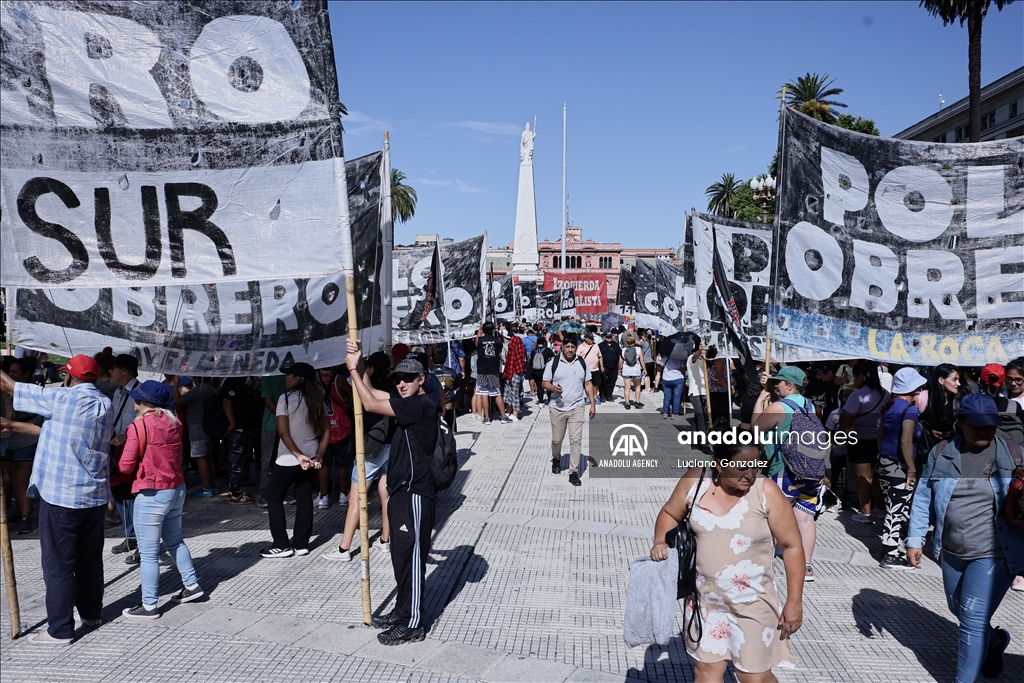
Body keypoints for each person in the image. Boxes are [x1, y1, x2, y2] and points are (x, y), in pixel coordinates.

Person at [650, 443, 803, 681]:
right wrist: (660, 541)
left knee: (753, 676)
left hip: (753, 602)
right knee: (706, 671)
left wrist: (794, 602)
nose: (750, 474)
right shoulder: (696, 481)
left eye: (755, 465)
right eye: (742, 467)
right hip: (704, 601)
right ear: (720, 465)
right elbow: (670, 513)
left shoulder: (766, 492)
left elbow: (792, 546)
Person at [907, 393, 1024, 682]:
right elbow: (923, 497)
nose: (985, 430)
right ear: (961, 423)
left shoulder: (1013, 454)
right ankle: (995, 642)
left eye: (990, 425)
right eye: (977, 425)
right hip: (952, 550)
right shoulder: (941, 453)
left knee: (971, 620)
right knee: (957, 608)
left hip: (994, 552)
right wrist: (915, 538)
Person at [1, 355, 113, 645]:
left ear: (68, 377)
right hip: (94, 495)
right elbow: (52, 429)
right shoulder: (105, 404)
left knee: (59, 563)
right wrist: (11, 426)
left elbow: (11, 387)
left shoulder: (62, 399)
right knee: (89, 559)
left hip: (62, 496)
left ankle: (60, 629)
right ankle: (91, 614)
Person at [346, 341, 438, 645]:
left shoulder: (421, 404)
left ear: (421, 379)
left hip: (415, 493)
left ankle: (413, 623)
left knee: (411, 557)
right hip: (401, 492)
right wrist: (359, 367)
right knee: (400, 556)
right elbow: (372, 395)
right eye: (398, 379)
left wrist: (351, 371)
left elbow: (370, 404)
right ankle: (402, 611)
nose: (402, 384)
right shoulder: (408, 402)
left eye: (408, 379)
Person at [118, 381, 204, 619]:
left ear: (145, 403)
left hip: (152, 493)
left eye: (137, 399)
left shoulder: (138, 427)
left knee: (148, 554)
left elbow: (125, 466)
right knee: (175, 541)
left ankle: (149, 605)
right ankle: (192, 585)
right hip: (176, 489)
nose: (134, 403)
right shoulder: (174, 422)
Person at [752, 366, 822, 582]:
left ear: (790, 385)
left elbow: (755, 430)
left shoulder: (778, 407)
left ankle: (762, 564)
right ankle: (807, 567)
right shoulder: (809, 405)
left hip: (784, 470)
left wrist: (761, 398)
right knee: (805, 518)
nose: (775, 385)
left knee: (773, 518)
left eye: (779, 382)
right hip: (811, 471)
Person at [323, 352, 393, 562]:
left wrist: (355, 368)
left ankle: (344, 549)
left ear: (370, 369)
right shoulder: (392, 388)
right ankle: (385, 541)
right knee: (386, 495)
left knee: (356, 499)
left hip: (371, 450)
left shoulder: (369, 393)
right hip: (389, 446)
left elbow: (367, 395)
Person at [261, 363, 328, 559]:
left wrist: (298, 455)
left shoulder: (285, 399)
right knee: (304, 498)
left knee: (274, 498)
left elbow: (283, 432)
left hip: (289, 458)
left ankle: (281, 544)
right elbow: (326, 432)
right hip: (311, 456)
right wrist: (319, 455)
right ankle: (301, 544)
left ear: (297, 379)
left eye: (288, 375)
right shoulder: (318, 400)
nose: (285, 378)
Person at [876, 368, 927, 569]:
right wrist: (912, 469)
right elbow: (906, 441)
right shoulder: (909, 410)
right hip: (899, 467)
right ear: (913, 388)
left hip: (884, 463)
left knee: (893, 506)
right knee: (896, 510)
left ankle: (891, 547)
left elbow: (880, 434)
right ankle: (889, 555)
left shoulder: (890, 406)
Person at [542, 336, 596, 487]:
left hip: (577, 406)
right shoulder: (553, 363)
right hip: (557, 406)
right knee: (556, 439)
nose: (570, 349)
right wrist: (553, 388)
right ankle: (557, 458)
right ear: (562, 347)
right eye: (567, 347)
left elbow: (588, 384)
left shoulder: (582, 363)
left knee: (575, 440)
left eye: (573, 347)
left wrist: (592, 404)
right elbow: (544, 382)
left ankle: (573, 472)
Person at [839, 360, 888, 523]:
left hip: (859, 439)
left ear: (861, 376)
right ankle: (880, 508)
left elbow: (845, 415)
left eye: (855, 376)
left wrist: (845, 429)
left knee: (863, 477)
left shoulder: (857, 395)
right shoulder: (885, 393)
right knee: (875, 476)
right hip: (878, 439)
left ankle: (865, 512)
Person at [1, 358, 43, 535]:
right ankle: (15, 512)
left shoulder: (31, 391)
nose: (11, 375)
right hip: (8, 440)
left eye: (15, 372)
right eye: (9, 372)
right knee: (8, 479)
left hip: (26, 440)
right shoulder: (5, 391)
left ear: (25, 374)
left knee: (21, 481)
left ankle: (26, 518)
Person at [108, 354, 141, 563]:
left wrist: (126, 436)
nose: (110, 372)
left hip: (132, 450)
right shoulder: (118, 393)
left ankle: (139, 539)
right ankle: (130, 535)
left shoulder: (139, 392)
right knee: (119, 492)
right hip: (116, 449)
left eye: (114, 368)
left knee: (134, 497)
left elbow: (144, 423)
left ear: (124, 371)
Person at [174, 377, 220, 497]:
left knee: (200, 458)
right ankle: (212, 485)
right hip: (209, 428)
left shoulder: (197, 391)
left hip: (197, 428)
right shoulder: (213, 390)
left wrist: (175, 385)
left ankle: (206, 488)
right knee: (208, 457)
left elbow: (177, 402)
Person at [315, 367, 354, 509]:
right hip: (341, 426)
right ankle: (344, 494)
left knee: (323, 463)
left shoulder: (315, 378)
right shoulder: (339, 379)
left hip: (322, 426)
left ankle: (323, 496)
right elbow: (352, 395)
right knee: (342, 464)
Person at [220, 376, 256, 505]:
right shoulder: (233, 380)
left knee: (237, 459)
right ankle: (235, 493)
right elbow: (227, 401)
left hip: (244, 426)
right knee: (235, 461)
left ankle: (234, 490)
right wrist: (232, 423)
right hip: (237, 428)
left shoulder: (243, 381)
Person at [918, 363, 965, 448]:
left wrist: (950, 433)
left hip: (950, 447)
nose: (959, 384)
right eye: (954, 379)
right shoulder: (923, 398)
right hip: (926, 448)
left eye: (959, 380)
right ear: (941, 380)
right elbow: (912, 423)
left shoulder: (958, 401)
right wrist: (927, 431)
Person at [258, 374, 288, 508]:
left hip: (271, 423)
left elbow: (267, 399)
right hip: (287, 422)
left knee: (268, 460)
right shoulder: (288, 373)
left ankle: (265, 493)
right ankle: (289, 492)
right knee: (289, 456)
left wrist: (279, 415)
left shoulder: (267, 374)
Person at [474, 322, 510, 424]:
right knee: (497, 393)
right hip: (493, 370)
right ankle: (503, 416)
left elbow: (476, 342)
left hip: (482, 370)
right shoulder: (497, 340)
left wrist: (480, 329)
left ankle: (487, 418)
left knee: (484, 394)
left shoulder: (479, 340)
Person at [687, 341, 710, 446]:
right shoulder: (691, 358)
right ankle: (704, 444)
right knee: (702, 418)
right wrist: (700, 351)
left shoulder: (706, 359)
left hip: (705, 391)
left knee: (699, 417)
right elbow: (694, 358)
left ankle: (695, 441)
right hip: (695, 392)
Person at [501, 333, 526, 420]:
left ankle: (515, 414)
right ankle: (508, 411)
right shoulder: (517, 350)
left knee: (514, 394)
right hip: (510, 373)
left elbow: (513, 363)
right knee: (507, 393)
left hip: (514, 373)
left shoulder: (515, 352)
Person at [620, 333, 645, 409]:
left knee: (627, 387)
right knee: (637, 386)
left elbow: (620, 361)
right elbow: (642, 360)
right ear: (634, 341)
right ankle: (637, 402)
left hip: (626, 370)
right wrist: (644, 369)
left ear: (627, 342)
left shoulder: (623, 350)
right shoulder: (638, 349)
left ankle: (627, 403)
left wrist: (619, 369)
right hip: (636, 370)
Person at [578, 333, 603, 406]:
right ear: (586, 339)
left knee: (596, 384)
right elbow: (577, 358)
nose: (592, 340)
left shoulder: (595, 346)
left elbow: (600, 356)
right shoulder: (581, 347)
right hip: (585, 370)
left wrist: (601, 366)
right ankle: (588, 397)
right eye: (591, 338)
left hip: (595, 369)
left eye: (592, 338)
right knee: (587, 385)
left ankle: (595, 396)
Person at [659, 352, 686, 419]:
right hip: (678, 378)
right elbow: (684, 368)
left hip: (666, 379)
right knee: (676, 397)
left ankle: (665, 413)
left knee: (667, 396)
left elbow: (662, 366)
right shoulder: (680, 358)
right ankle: (675, 413)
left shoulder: (665, 358)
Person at [597, 331, 621, 402]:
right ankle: (602, 395)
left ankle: (609, 395)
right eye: (608, 337)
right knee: (602, 382)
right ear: (604, 337)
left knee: (612, 381)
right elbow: (598, 356)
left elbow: (620, 355)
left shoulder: (616, 345)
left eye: (610, 337)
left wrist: (619, 367)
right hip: (603, 366)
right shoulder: (601, 345)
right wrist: (600, 366)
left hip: (614, 367)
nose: (609, 338)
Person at [531, 338, 554, 404]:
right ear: (544, 343)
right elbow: (553, 359)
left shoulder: (533, 351)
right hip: (545, 370)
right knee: (548, 385)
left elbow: (531, 360)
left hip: (535, 371)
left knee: (539, 386)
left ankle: (541, 401)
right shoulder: (547, 350)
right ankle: (550, 400)